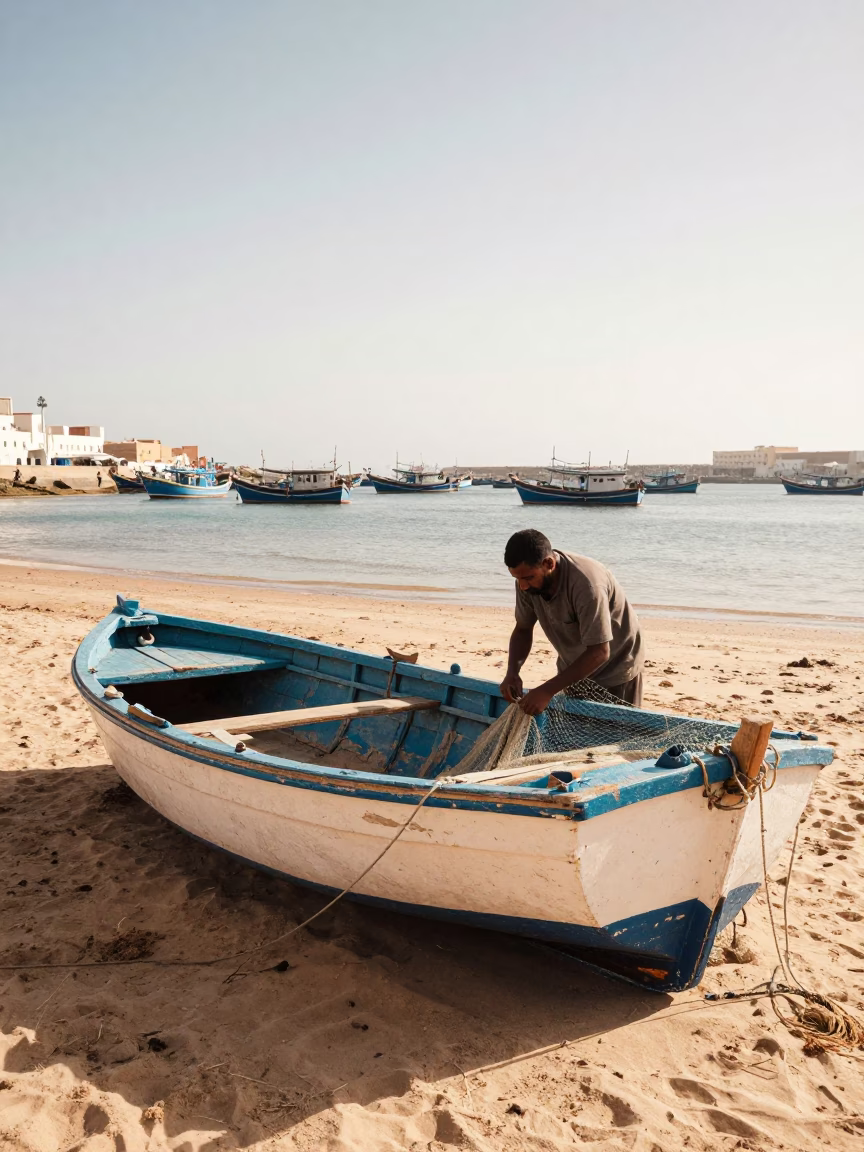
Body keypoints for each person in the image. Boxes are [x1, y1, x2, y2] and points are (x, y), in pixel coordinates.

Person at [500, 529, 644, 715]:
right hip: (574, 670)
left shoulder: (586, 585)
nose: (522, 586)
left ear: (549, 564)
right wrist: (512, 672)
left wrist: (546, 690)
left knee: (618, 740)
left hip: (617, 670)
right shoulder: (526, 581)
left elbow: (600, 651)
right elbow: (523, 628)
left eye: (528, 578)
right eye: (517, 578)